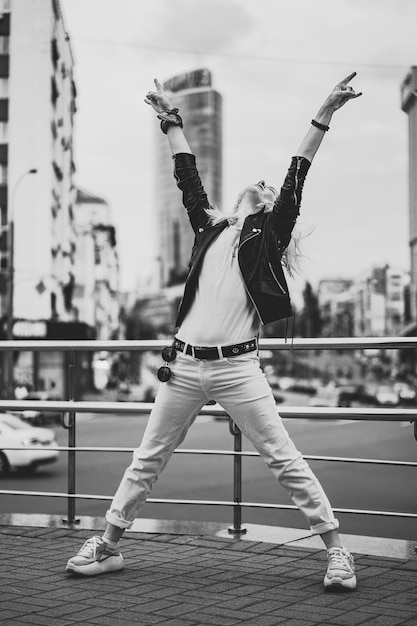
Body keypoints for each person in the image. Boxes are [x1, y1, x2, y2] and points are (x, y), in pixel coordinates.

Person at [66, 72, 362, 590]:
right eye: (262, 185)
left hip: (236, 369)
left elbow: (297, 173)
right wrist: (169, 120)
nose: (265, 186)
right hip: (182, 367)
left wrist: (325, 112)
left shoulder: (267, 236)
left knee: (284, 459)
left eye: (270, 191)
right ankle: (108, 545)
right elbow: (187, 174)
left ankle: (338, 552)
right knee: (146, 460)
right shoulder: (211, 228)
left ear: (271, 208)